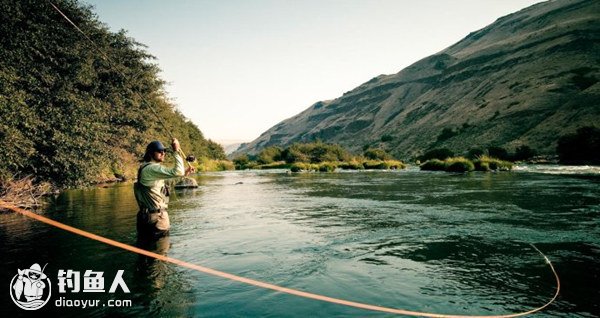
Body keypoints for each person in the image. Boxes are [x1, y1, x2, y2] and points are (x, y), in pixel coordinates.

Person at [134, 138, 194, 237]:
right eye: (159, 151)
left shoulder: (145, 168)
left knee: (143, 249)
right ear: (150, 153)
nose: (163, 153)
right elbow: (177, 171)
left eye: (164, 151)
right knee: (160, 250)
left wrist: (185, 173)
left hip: (144, 217)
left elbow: (165, 183)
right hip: (157, 218)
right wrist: (176, 151)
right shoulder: (152, 168)